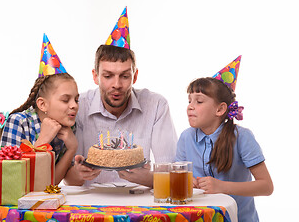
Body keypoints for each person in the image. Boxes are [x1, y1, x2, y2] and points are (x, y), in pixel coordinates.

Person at [64, 44, 178, 187]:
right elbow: (68, 179)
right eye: (108, 76)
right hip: (92, 202)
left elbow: (172, 172)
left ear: (134, 76)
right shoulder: (79, 106)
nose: (116, 84)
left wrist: (148, 178)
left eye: (124, 76)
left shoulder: (156, 105)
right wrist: (79, 173)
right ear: (95, 76)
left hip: (139, 202)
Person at [176, 75, 273, 221]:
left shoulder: (242, 137)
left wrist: (222, 187)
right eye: (189, 101)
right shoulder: (186, 137)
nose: (190, 106)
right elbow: (177, 175)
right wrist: (188, 182)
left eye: (199, 101)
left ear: (220, 109)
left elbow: (266, 186)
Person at [0, 34, 79, 185]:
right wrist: (43, 140)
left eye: (76, 99)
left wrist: (72, 148)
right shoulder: (18, 122)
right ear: (42, 104)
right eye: (65, 100)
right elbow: (9, 181)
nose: (74, 105)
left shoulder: (68, 128)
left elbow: (50, 184)